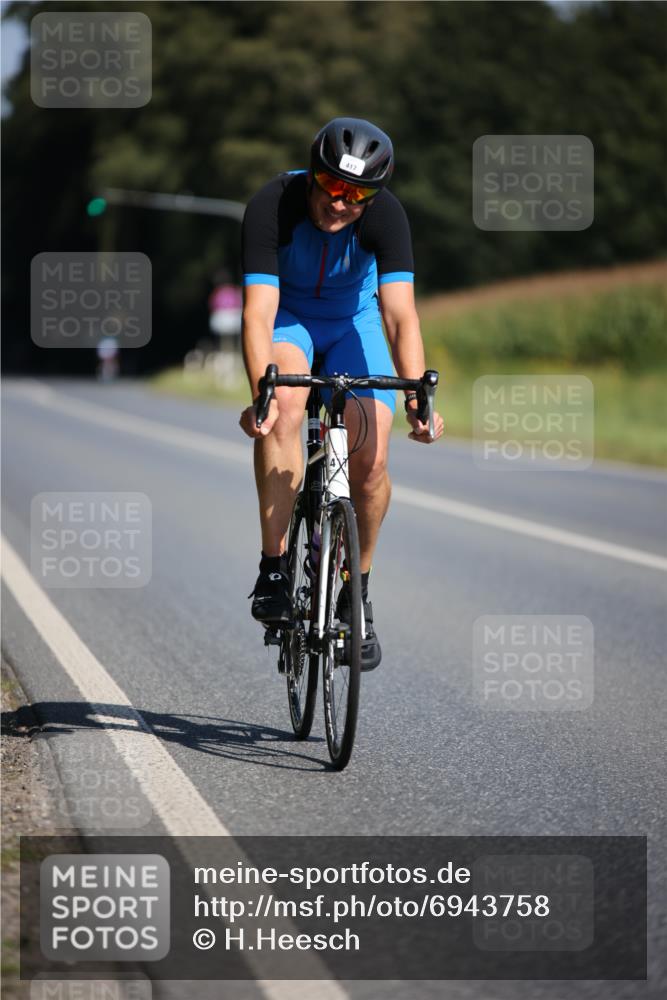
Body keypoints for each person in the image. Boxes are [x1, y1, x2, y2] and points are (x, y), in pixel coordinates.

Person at [239, 117, 444, 669]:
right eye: (332, 186)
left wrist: (417, 399)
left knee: (372, 461)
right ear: (314, 175)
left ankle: (357, 591)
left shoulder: (387, 216)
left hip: (356, 324)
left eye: (357, 195)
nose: (341, 203)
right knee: (284, 409)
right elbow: (258, 314)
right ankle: (274, 568)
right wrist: (262, 390)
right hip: (290, 319)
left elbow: (400, 317)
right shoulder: (272, 204)